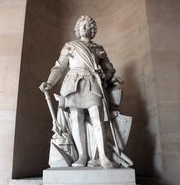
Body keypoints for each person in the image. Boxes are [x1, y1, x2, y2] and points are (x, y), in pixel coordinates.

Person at [40, 15, 122, 168]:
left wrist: (104, 76)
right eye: (82, 26)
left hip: (92, 82)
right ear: (77, 29)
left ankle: (103, 156)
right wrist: (49, 82)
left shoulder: (98, 49)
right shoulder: (70, 46)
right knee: (76, 119)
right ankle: (82, 156)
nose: (85, 28)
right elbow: (59, 67)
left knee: (97, 118)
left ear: (93, 31)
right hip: (73, 83)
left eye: (88, 26)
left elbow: (109, 68)